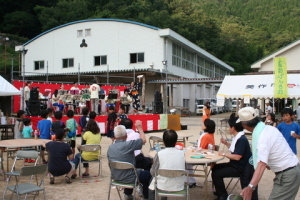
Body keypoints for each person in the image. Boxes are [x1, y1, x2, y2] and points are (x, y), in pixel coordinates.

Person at [238, 107, 300, 200]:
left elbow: (262, 164)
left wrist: (250, 187)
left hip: (288, 173)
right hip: (289, 171)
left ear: (244, 125)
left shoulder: (262, 137)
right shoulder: (268, 128)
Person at [212, 116, 253, 200]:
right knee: (215, 168)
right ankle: (220, 191)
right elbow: (235, 150)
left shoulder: (241, 139)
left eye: (229, 126)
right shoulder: (237, 137)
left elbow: (237, 157)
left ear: (233, 128)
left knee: (216, 173)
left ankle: (223, 195)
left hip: (239, 167)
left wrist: (223, 153)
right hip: (235, 164)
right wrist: (226, 143)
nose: (228, 128)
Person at [107, 123, 151, 200]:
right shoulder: (129, 145)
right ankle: (146, 197)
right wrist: (140, 128)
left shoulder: (110, 147)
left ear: (115, 136)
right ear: (126, 135)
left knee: (130, 170)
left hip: (116, 177)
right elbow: (143, 140)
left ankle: (128, 194)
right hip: (130, 178)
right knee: (149, 174)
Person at [148, 129, 186, 200]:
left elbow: (153, 172)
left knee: (151, 182)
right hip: (178, 185)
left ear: (163, 141)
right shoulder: (182, 154)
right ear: (176, 141)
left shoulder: (159, 154)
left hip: (162, 185)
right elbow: (184, 169)